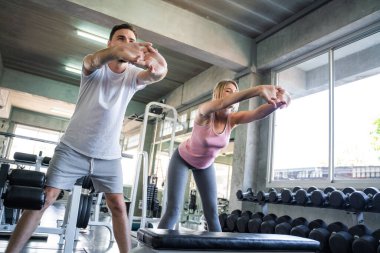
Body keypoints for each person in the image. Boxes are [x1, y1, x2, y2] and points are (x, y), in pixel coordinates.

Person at [5, 23, 167, 253]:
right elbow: (91, 60)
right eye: (121, 38)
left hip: (108, 156)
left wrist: (155, 58)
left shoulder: (133, 76)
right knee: (45, 198)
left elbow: (159, 73)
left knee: (119, 206)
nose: (127, 43)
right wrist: (121, 51)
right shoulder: (95, 65)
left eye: (132, 40)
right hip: (72, 148)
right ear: (110, 43)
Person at [157, 80, 290, 232]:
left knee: (212, 213)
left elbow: (257, 113)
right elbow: (221, 104)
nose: (233, 94)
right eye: (228, 91)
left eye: (235, 91)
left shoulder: (232, 119)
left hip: (205, 165)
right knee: (173, 210)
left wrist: (277, 103)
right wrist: (259, 89)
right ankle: (152, 248)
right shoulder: (205, 112)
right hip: (182, 159)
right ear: (218, 93)